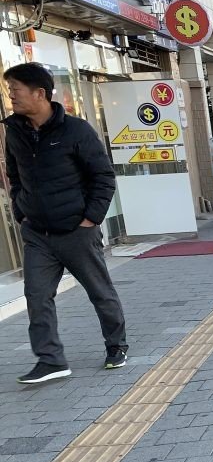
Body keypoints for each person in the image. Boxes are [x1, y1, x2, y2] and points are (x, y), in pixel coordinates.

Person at [2, 62, 128, 384]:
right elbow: (14, 176)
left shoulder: (76, 130)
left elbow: (102, 176)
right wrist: (21, 211)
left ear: (39, 93)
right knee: (36, 294)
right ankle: (51, 360)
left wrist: (90, 219)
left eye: (15, 90)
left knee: (99, 291)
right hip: (37, 234)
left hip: (76, 230)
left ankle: (116, 345)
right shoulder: (14, 131)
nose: (11, 96)